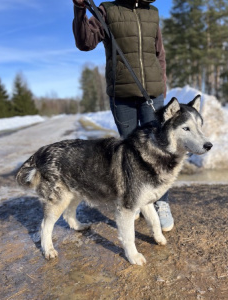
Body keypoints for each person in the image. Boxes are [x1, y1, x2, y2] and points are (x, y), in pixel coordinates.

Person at [72, 0, 174, 232]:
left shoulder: (152, 12)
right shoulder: (107, 10)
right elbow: (85, 43)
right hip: (122, 96)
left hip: (152, 94)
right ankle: (135, 198)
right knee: (130, 154)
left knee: (159, 151)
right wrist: (79, 10)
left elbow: (159, 54)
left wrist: (162, 86)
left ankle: (162, 202)